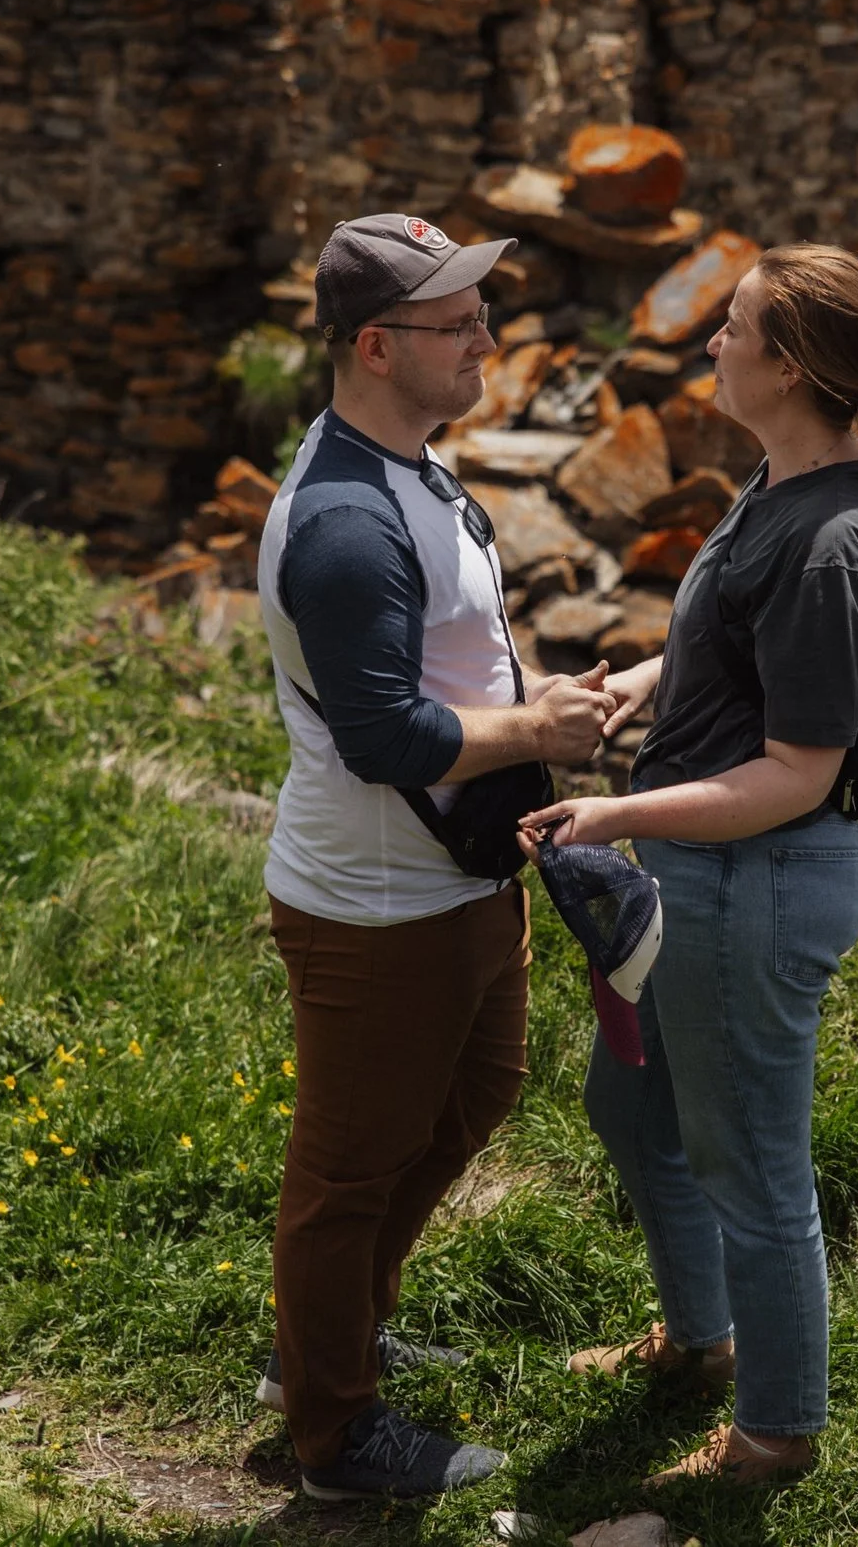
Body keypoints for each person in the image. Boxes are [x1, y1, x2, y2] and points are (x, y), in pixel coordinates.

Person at [520, 244, 858, 1486]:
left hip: (757, 878)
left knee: (750, 1162)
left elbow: (796, 776)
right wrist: (641, 687)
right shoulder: (782, 478)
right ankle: (701, 1344)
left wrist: (612, 815)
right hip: (704, 866)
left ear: (789, 365)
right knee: (635, 1108)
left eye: (735, 326)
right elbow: (729, 649)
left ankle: (773, 1433)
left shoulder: (833, 545)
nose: (709, 340)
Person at [255, 213, 620, 1501]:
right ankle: (333, 1439)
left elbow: (443, 666)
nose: (487, 334)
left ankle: (330, 1335)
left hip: (458, 873)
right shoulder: (348, 519)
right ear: (373, 344)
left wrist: (535, 712)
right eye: (456, 319)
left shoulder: (411, 461)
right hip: (377, 901)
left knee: (468, 1103)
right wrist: (540, 727)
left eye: (481, 307)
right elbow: (377, 737)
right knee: (347, 1169)